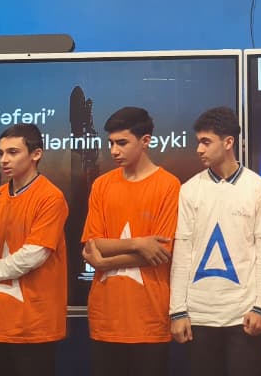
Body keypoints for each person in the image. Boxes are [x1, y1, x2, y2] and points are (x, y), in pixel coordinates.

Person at [169, 106, 261, 376]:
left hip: (244, 316)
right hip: (199, 316)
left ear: (228, 142)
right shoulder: (189, 190)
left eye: (206, 142)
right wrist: (178, 311)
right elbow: (182, 254)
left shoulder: (259, 188)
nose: (199, 149)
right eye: (198, 142)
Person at [81, 106, 181, 375]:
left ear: (145, 141)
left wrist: (105, 262)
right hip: (105, 317)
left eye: (122, 143)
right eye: (111, 143)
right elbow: (92, 245)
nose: (114, 151)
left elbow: (160, 252)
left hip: (149, 318)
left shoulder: (168, 185)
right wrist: (138, 244)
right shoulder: (101, 185)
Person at [0, 122, 69, 376]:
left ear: (36, 154)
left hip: (33, 325)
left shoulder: (50, 197)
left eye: (13, 152)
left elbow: (34, 255)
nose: (4, 160)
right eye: (1, 153)